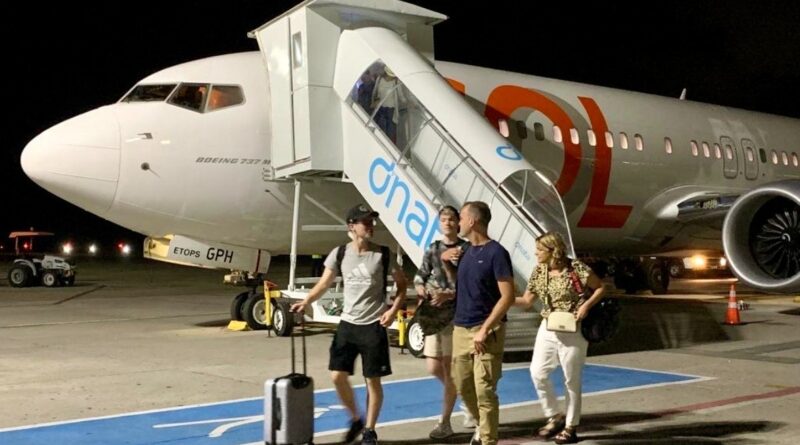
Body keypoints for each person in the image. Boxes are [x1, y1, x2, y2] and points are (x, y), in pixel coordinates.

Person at [290, 204, 407, 445]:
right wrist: (306, 301)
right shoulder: (340, 253)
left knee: (372, 380)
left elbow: (402, 285)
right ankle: (355, 419)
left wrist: (393, 310)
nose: (371, 226)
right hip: (348, 324)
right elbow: (324, 283)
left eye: (372, 221)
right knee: (337, 376)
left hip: (373, 325)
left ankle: (369, 430)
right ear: (352, 226)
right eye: (365, 222)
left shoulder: (383, 254)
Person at [515, 232, 605, 444]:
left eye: (539, 250)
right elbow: (527, 301)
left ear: (552, 251)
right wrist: (502, 298)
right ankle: (555, 415)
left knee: (571, 379)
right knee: (537, 372)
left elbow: (600, 288)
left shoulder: (576, 268)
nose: (536, 253)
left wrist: (585, 306)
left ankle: (571, 427)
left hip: (573, 328)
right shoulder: (539, 271)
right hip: (548, 326)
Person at [441, 201, 515, 445]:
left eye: (461, 218)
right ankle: (482, 427)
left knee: (484, 389)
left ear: (472, 221)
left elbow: (507, 296)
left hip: (486, 330)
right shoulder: (465, 252)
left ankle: (488, 439)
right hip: (461, 328)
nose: (458, 223)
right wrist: (446, 263)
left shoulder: (497, 253)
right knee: (462, 384)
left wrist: (485, 329)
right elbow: (462, 285)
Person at [412, 205, 470, 439]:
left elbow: (467, 283)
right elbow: (420, 275)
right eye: (443, 219)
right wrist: (421, 289)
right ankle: (465, 397)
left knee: (448, 367)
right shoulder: (434, 248)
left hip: (453, 314)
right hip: (433, 314)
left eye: (451, 219)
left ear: (458, 223)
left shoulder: (465, 249)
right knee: (433, 367)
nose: (447, 223)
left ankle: (444, 422)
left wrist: (450, 294)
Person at [371, 66, 402, 143]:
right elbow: (375, 91)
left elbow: (401, 95)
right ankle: (378, 142)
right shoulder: (380, 79)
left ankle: (389, 144)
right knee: (379, 128)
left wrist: (408, 102)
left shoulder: (396, 81)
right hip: (380, 107)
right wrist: (373, 101)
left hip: (391, 109)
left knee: (390, 130)